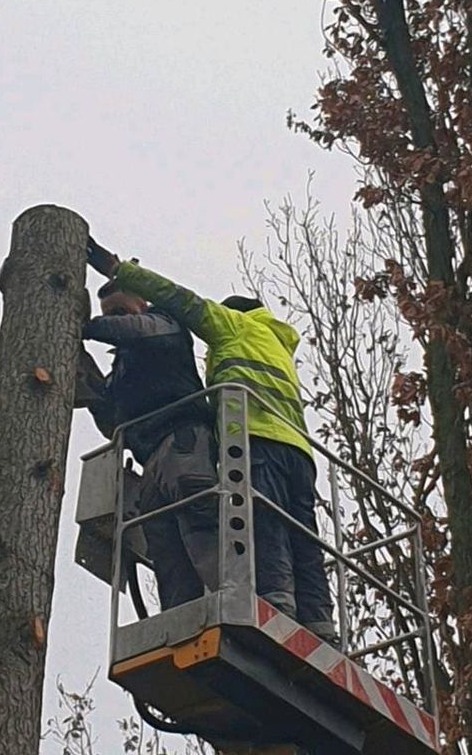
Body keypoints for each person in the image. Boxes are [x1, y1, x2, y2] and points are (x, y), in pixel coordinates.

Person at [86, 238, 337, 645]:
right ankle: (318, 623)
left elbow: (174, 302)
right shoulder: (276, 345)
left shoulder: (216, 326)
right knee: (297, 537)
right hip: (297, 451)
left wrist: (108, 287)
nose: (115, 321)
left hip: (234, 441)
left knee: (259, 525)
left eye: (119, 311)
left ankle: (271, 607)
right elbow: (109, 413)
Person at [79, 279, 219, 611]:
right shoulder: (123, 369)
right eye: (108, 314)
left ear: (141, 304)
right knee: (163, 545)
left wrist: (87, 327)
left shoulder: (164, 325)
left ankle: (230, 597)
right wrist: (86, 376)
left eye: (120, 311)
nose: (114, 318)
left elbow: (138, 329)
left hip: (183, 440)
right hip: (150, 458)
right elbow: (112, 423)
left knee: (200, 518)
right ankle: (181, 615)